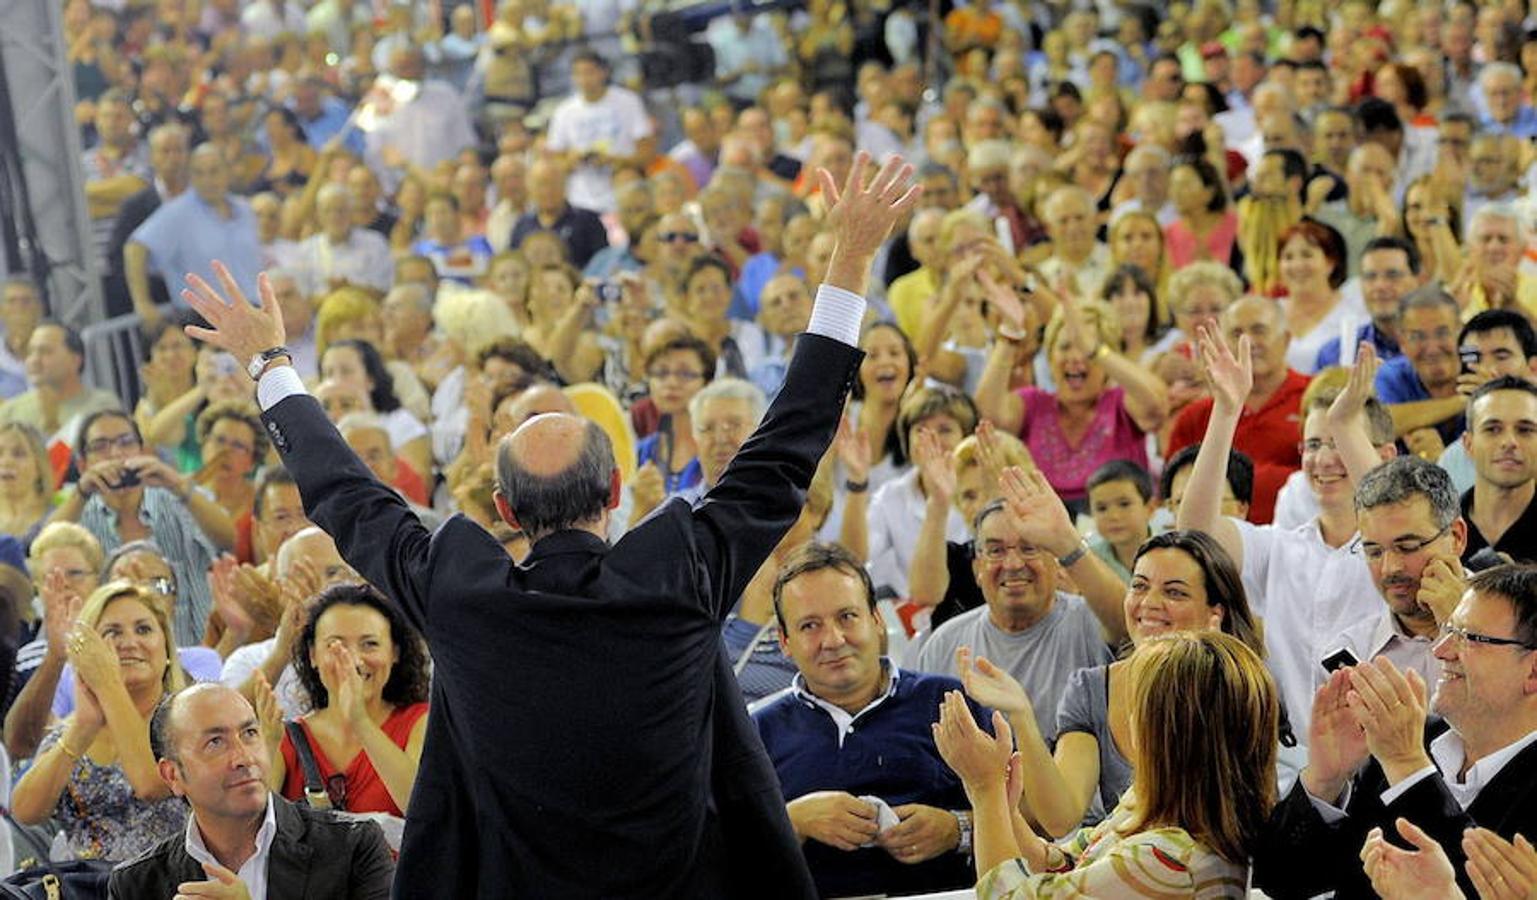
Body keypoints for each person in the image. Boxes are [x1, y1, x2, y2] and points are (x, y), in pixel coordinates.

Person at [180, 152, 922, 897]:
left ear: (502, 511)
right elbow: (788, 444)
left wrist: (268, 361)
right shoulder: (680, 569)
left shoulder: (461, 593)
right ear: (612, 490)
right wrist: (852, 255)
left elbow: (343, 496)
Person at [959, 530, 1274, 837]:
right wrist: (1021, 716)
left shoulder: (1237, 686)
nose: (1149, 603)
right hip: (1123, 871)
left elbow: (1245, 816)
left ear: (1214, 614)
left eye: (1174, 592)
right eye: (1139, 586)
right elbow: (1060, 818)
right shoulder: (1091, 688)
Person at [1254, 564, 1537, 899]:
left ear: (1533, 671)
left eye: (1470, 638)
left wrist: (1408, 767)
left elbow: (1470, 886)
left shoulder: (1403, 747)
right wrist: (1324, 780)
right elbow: (1279, 881)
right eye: (1448, 630)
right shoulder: (1415, 738)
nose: (1440, 649)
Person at [935, 630, 1278, 898]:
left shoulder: (1170, 859)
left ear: (1165, 736)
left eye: (1136, 704)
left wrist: (986, 789)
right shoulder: (1147, 807)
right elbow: (1062, 865)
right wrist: (1001, 807)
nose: (1126, 715)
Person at [752, 542, 983, 898]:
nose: (833, 640)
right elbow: (715, 848)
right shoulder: (754, 732)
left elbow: (1033, 814)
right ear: (784, 641)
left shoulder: (949, 702)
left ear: (876, 619)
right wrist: (791, 822)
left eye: (847, 616)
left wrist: (958, 829)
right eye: (810, 625)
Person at [107, 682, 394, 899]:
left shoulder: (353, 846)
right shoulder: (136, 885)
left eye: (250, 734)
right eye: (215, 743)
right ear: (172, 775)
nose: (244, 757)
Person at [914, 470, 1128, 745]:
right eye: (996, 551)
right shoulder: (944, 643)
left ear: (1055, 561)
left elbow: (1128, 626)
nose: (1013, 564)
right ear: (978, 568)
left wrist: (1068, 543)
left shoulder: (1091, 621)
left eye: (1029, 548)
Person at [11, 582, 187, 860]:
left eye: (143, 629)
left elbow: (151, 785)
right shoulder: (74, 728)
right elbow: (24, 811)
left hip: (171, 882)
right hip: (84, 887)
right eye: (112, 632)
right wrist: (82, 727)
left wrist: (108, 684)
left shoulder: (189, 717)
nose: (129, 642)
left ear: (167, 650)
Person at [974, 286, 1167, 511]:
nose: (1075, 357)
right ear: (1050, 356)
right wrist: (1009, 335)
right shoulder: (1033, 404)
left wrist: (1096, 350)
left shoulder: (1121, 403)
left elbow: (1157, 405)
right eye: (1065, 347)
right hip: (1045, 535)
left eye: (1084, 348)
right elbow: (988, 414)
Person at [52, 409, 232, 645]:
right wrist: (81, 492)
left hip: (194, 659)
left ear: (143, 451)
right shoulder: (77, 515)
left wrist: (176, 482)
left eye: (126, 442)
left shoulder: (179, 499)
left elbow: (228, 539)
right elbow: (44, 553)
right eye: (101, 446)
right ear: (83, 463)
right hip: (116, 662)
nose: (115, 454)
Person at [270, 584, 428, 818]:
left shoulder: (421, 722)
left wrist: (360, 720)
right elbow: (251, 829)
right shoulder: (287, 737)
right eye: (336, 645)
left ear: (394, 652)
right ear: (313, 655)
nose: (354, 659)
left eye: (370, 644)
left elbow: (422, 809)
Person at [0, 321, 121, 443]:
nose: (34, 360)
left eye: (45, 352)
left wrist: (53, 428)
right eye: (30, 352)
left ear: (75, 360)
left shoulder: (102, 405)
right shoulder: (10, 411)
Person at [1460, 377, 1537, 562]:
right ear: (1468, 444)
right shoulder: (1438, 529)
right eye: (1493, 429)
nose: (1509, 442)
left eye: (1525, 429)